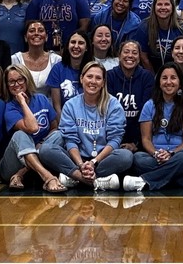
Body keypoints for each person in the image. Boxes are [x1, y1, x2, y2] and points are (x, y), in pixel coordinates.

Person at [40, 62, 133, 190]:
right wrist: (80, 164)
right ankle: (92, 180)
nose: (93, 81)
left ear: (103, 82)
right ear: (81, 79)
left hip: (102, 160)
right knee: (46, 150)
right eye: (89, 76)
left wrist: (94, 162)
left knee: (126, 156)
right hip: (76, 159)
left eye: (98, 78)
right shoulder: (70, 105)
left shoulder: (113, 105)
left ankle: (75, 178)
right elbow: (70, 140)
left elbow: (115, 140)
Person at [121, 63, 183, 191]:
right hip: (155, 157)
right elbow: (146, 140)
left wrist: (171, 154)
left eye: (173, 78)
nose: (169, 82)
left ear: (180, 82)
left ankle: (144, 181)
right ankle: (182, 180)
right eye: (164, 78)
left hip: (178, 155)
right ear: (159, 82)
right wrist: (156, 154)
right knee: (138, 159)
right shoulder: (149, 105)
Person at [0, 64, 66, 192]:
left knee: (59, 134)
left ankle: (21, 174)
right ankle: (48, 178)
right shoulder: (9, 107)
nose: (16, 84)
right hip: (12, 164)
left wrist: (41, 144)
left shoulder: (41, 99)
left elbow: (54, 127)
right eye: (11, 82)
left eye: (20, 79)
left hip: (35, 157)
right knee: (20, 135)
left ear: (27, 79)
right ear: (6, 85)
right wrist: (23, 102)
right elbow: (33, 128)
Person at [26, 0, 92, 53]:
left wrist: (71, 43)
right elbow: (30, 27)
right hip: (43, 50)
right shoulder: (36, 1)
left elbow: (84, 27)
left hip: (70, 51)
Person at [106, 41, 154, 153]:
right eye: (126, 52)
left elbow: (146, 113)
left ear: (139, 57)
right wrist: (114, 142)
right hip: (111, 138)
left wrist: (135, 143)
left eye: (134, 53)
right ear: (119, 55)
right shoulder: (109, 76)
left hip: (138, 139)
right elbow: (107, 111)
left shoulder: (147, 77)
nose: (130, 56)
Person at [134, 0, 183, 73]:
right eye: (159, 4)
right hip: (151, 71)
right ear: (154, 8)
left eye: (167, 4)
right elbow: (143, 57)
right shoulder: (144, 26)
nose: (163, 7)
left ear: (173, 7)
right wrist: (154, 78)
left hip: (177, 73)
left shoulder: (182, 28)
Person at [9, 20, 61, 97]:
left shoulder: (56, 60)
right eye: (32, 31)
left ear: (46, 37)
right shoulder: (15, 60)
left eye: (40, 30)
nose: (36, 33)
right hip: (21, 104)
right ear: (25, 38)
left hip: (48, 106)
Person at [47, 31, 94, 116]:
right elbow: (57, 106)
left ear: (86, 48)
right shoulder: (57, 69)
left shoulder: (93, 69)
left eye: (81, 43)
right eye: (73, 42)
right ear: (68, 46)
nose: (76, 46)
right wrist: (64, 126)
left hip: (89, 120)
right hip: (65, 120)